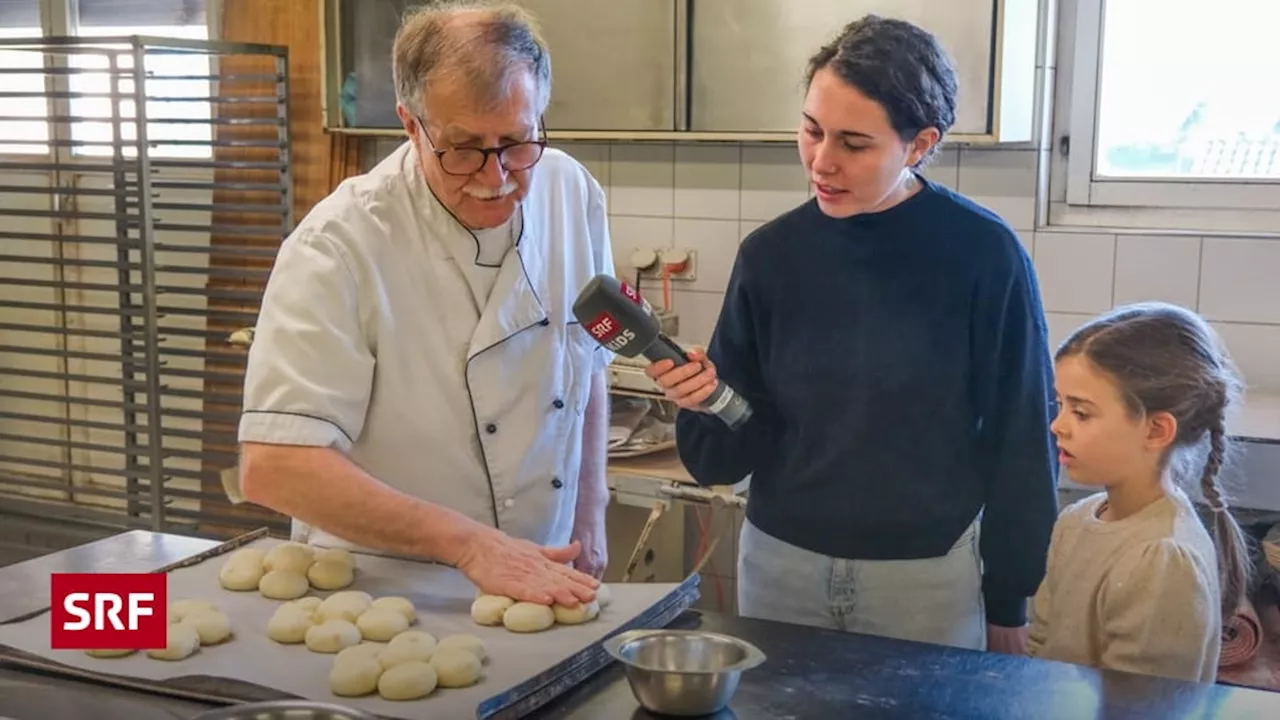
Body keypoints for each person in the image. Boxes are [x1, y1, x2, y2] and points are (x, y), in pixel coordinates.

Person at [646, 15, 1059, 653]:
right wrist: (704, 401)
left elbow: (1022, 436)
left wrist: (1010, 599)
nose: (822, 162)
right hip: (779, 568)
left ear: (920, 144)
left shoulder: (984, 256)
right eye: (811, 131)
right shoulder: (771, 256)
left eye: (854, 143)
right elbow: (727, 458)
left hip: (924, 580)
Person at [236, 1, 613, 608]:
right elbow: (276, 464)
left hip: (541, 574)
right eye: (463, 149)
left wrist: (590, 514)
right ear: (413, 126)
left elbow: (588, 366)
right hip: (379, 591)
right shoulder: (340, 244)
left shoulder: (572, 193)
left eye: (516, 143)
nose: (496, 177)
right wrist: (468, 545)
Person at [1027, 303, 1251, 682]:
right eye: (1060, 404)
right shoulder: (1075, 521)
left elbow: (1141, 706)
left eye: (1081, 413)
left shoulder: (1164, 558)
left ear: (1156, 430)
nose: (1057, 425)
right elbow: (1041, 645)